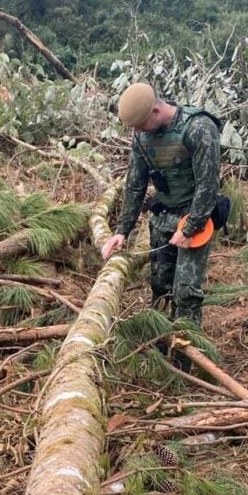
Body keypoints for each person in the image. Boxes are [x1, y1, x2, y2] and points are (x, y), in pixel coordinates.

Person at [102, 82, 222, 337]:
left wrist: (190, 228)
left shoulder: (199, 128)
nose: (138, 131)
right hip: (163, 217)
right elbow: (135, 185)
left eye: (141, 124)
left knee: (186, 291)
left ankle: (185, 353)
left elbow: (208, 184)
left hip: (195, 218)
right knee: (159, 284)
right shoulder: (142, 138)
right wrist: (122, 230)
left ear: (156, 111)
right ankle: (159, 343)